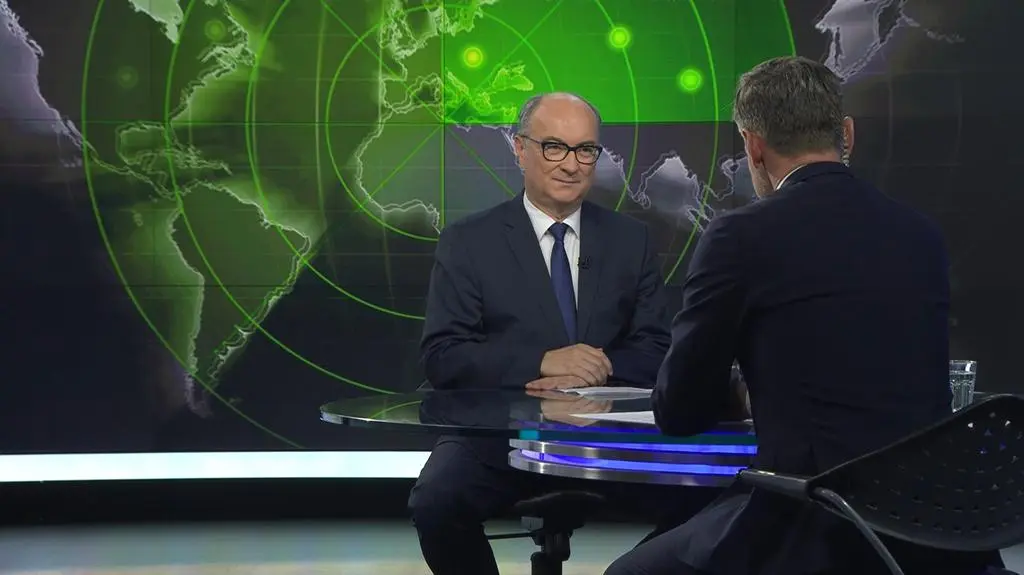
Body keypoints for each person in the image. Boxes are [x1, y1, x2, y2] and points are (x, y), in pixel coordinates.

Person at [605, 56, 1005, 575]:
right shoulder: (920, 235)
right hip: (935, 528)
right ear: (847, 134)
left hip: (814, 522)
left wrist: (739, 390)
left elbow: (679, 411)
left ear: (753, 146)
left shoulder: (739, 237)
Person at [410, 92, 674, 575]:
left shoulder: (630, 239)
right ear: (520, 149)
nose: (571, 165)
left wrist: (598, 367)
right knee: (435, 501)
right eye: (554, 147)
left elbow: (659, 348)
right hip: (499, 439)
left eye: (585, 150)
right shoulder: (469, 242)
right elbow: (444, 356)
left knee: (715, 496)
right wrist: (542, 361)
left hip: (609, 439)